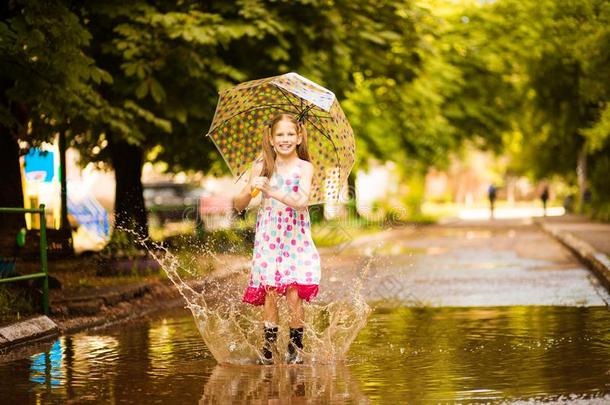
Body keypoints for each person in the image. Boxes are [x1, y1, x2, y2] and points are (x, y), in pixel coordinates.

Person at [232, 113, 321, 365]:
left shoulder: (304, 167)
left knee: (293, 291)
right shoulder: (261, 165)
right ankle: (269, 349)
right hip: (269, 235)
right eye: (280, 135)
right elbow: (239, 204)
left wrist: (271, 190)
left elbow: (302, 202)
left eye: (290, 134)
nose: (285, 139)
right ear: (271, 139)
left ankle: (295, 348)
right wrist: (251, 190)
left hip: (295, 235)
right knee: (271, 291)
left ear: (299, 137)